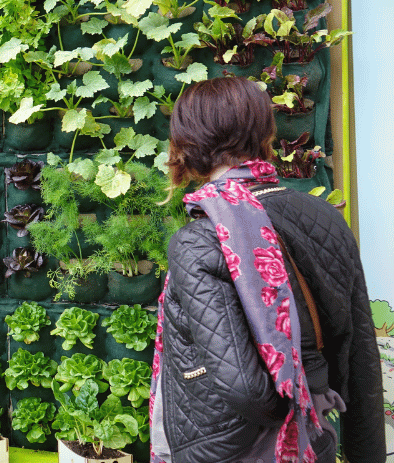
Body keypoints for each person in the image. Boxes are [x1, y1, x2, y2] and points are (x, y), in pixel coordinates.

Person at [148, 77, 384, 463]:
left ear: (187, 142)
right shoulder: (325, 217)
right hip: (314, 442)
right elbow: (360, 357)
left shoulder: (199, 240)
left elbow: (246, 389)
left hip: (229, 451)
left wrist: (290, 409)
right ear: (264, 132)